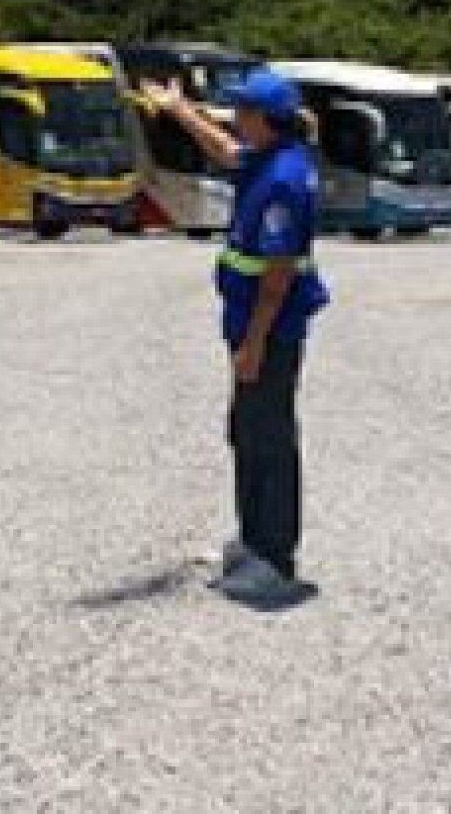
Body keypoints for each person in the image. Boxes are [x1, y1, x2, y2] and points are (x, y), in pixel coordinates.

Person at [140, 68, 330, 604]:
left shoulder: (284, 181)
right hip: (249, 325)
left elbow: (278, 274)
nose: (235, 118)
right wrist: (179, 110)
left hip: (268, 328)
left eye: (242, 110)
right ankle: (253, 541)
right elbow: (224, 151)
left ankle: (274, 558)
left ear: (263, 118)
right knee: (246, 431)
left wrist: (254, 342)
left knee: (267, 438)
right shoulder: (269, 158)